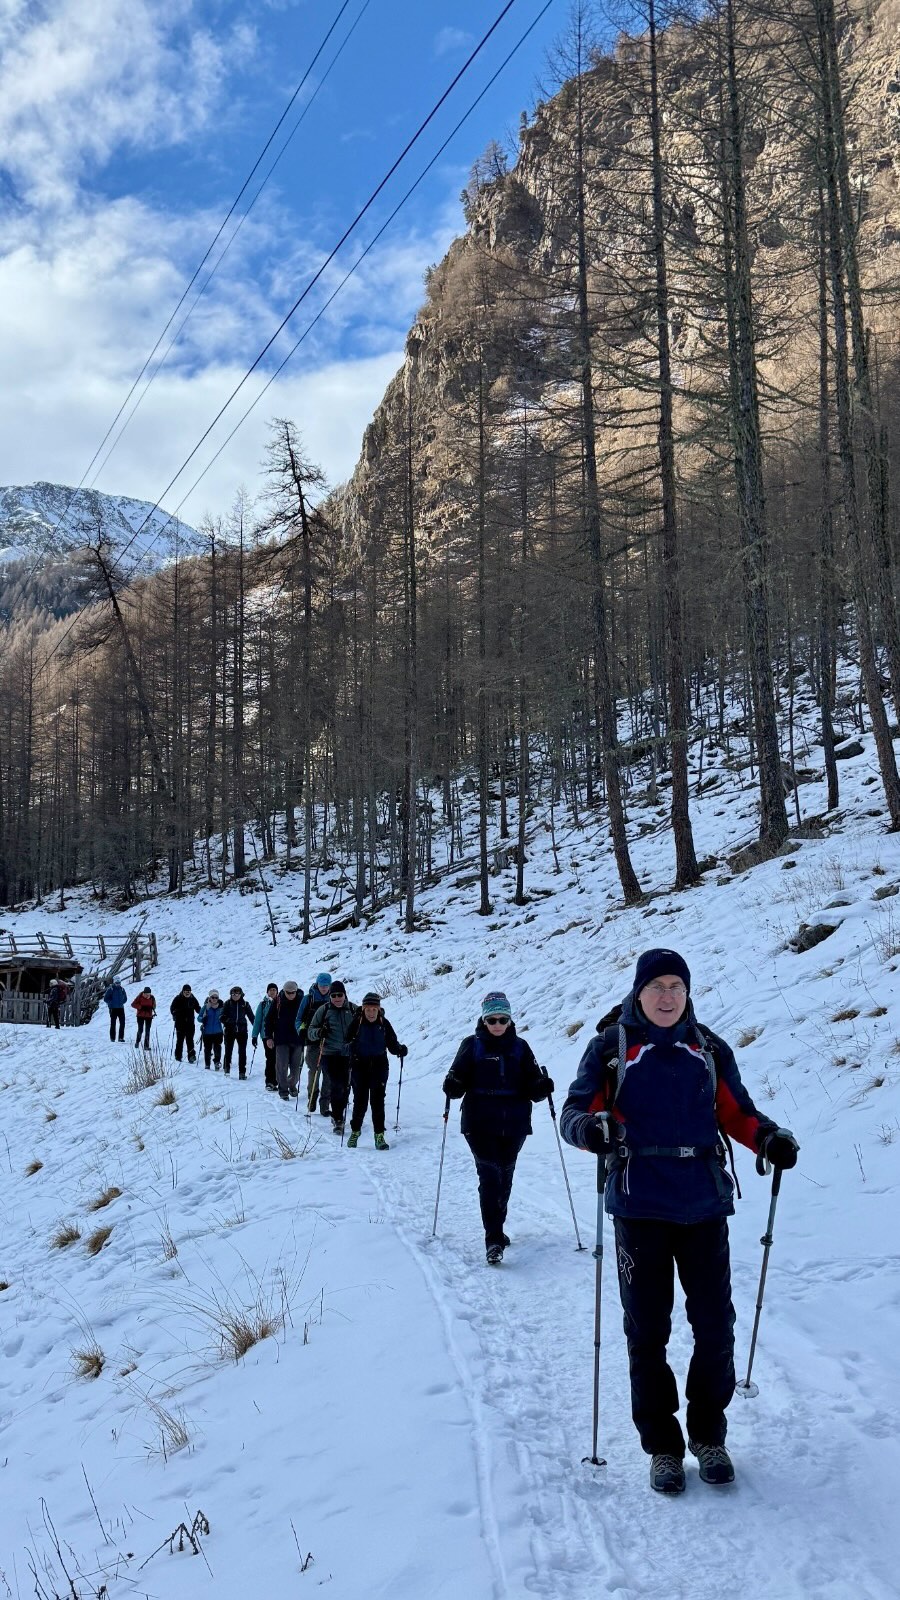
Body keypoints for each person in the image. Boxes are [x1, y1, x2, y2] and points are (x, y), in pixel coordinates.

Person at [561, 948, 799, 1497]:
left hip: (703, 1205)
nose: (667, 996)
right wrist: (591, 1131)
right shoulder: (610, 1048)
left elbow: (736, 1112)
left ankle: (709, 1437)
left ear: (687, 993)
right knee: (648, 1331)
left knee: (715, 1328)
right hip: (639, 1204)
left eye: (676, 986)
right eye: (657, 986)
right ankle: (664, 1448)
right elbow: (576, 1112)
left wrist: (769, 1138)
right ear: (638, 992)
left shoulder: (707, 1048)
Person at [443, 990, 553, 1265]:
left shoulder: (520, 1047)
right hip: (479, 1122)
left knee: (505, 1177)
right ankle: (493, 1239)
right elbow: (456, 1083)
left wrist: (541, 1087)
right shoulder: (471, 1045)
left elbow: (533, 1086)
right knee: (490, 1177)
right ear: (484, 1019)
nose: (497, 1025)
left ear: (510, 1020)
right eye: (492, 1020)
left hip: (514, 1122)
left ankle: (497, 1228)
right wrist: (453, 1084)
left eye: (503, 1019)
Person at [345, 992, 407, 1150]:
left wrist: (400, 1050)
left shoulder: (384, 1023)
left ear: (379, 1009)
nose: (371, 1013)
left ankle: (379, 1136)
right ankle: (355, 1132)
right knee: (360, 1101)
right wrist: (350, 1047)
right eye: (368, 1009)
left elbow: (392, 1043)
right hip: (359, 1066)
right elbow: (345, 1041)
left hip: (379, 1066)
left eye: (374, 1009)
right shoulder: (356, 1023)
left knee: (378, 1102)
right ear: (364, 1009)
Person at [307, 981, 357, 1133]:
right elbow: (311, 1031)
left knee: (346, 1086)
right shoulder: (324, 1010)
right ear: (330, 996)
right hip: (329, 1053)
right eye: (333, 995)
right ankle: (338, 1119)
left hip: (348, 1054)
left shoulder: (354, 1009)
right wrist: (320, 1032)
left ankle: (339, 1111)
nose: (337, 998)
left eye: (339, 995)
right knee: (336, 1085)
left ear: (344, 994)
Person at [301, 972, 333, 1115]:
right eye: (322, 985)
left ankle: (325, 1105)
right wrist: (301, 1030)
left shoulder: (335, 998)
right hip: (313, 1040)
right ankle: (312, 1098)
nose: (324, 988)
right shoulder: (308, 999)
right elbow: (299, 1018)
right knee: (314, 1070)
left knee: (328, 1073)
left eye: (327, 986)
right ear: (317, 984)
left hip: (330, 1041)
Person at [269, 980, 305, 1101]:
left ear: (296, 991)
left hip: (297, 1039)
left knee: (296, 1068)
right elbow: (268, 1020)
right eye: (287, 992)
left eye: (292, 992)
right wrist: (268, 1037)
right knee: (282, 1066)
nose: (290, 994)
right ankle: (283, 1090)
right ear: (284, 991)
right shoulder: (277, 1001)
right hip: (281, 1039)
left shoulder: (302, 1002)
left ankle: (292, 1084)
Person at [222, 986, 255, 1078]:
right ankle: (227, 1068)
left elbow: (251, 1017)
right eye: (233, 994)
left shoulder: (245, 1004)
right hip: (229, 1030)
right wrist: (227, 1020)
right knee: (228, 1050)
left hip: (242, 1031)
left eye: (237, 994)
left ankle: (242, 1072)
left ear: (241, 994)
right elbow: (221, 1016)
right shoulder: (227, 1004)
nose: (235, 995)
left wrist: (257, 1028)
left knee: (242, 1052)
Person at [252, 982, 279, 1090]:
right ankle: (269, 1081)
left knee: (280, 1059)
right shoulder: (263, 1004)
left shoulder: (280, 1002)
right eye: (270, 990)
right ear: (267, 992)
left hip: (279, 1035)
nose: (272, 992)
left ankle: (278, 1081)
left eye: (274, 990)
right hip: (266, 1036)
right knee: (270, 1058)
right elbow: (257, 1021)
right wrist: (254, 1035)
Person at [169, 983, 200, 1062]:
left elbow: (198, 1008)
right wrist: (174, 1013)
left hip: (190, 1023)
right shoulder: (178, 998)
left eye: (189, 991)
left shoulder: (193, 998)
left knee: (190, 1040)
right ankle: (178, 1056)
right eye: (186, 991)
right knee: (180, 1040)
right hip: (180, 1023)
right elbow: (172, 1008)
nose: (187, 992)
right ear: (183, 991)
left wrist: (203, 1013)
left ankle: (191, 1056)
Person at [198, 990, 224, 1069]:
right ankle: (207, 1064)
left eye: (216, 997)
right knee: (207, 1049)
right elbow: (198, 1017)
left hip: (218, 1032)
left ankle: (217, 1062)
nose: (214, 999)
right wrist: (203, 1019)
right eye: (213, 997)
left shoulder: (221, 1008)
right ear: (210, 998)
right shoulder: (206, 1007)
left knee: (217, 1048)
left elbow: (225, 1017)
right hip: (207, 1032)